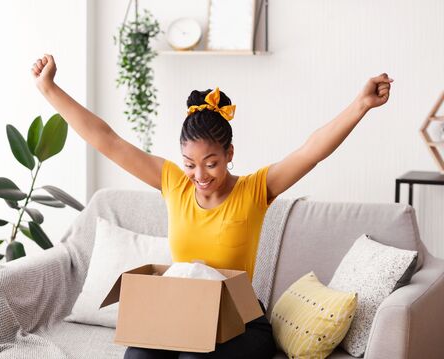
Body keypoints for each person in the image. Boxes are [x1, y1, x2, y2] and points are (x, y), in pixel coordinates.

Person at [31, 54, 392, 359]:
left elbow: (311, 151)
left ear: (229, 154)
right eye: (189, 163)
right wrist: (49, 89)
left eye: (211, 162)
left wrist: (360, 105)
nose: (199, 175)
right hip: (179, 312)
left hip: (242, 323)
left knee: (195, 355)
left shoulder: (255, 190)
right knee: (137, 354)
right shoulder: (172, 182)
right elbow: (106, 139)